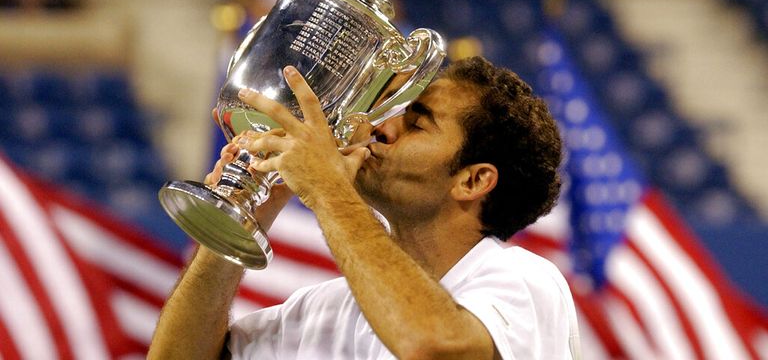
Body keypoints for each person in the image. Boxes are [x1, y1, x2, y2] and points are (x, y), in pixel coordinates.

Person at [148, 56, 581, 359]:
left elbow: (431, 347)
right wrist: (240, 214)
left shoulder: (522, 280)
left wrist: (325, 187)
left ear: (472, 180)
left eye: (416, 123)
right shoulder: (321, 308)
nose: (381, 127)